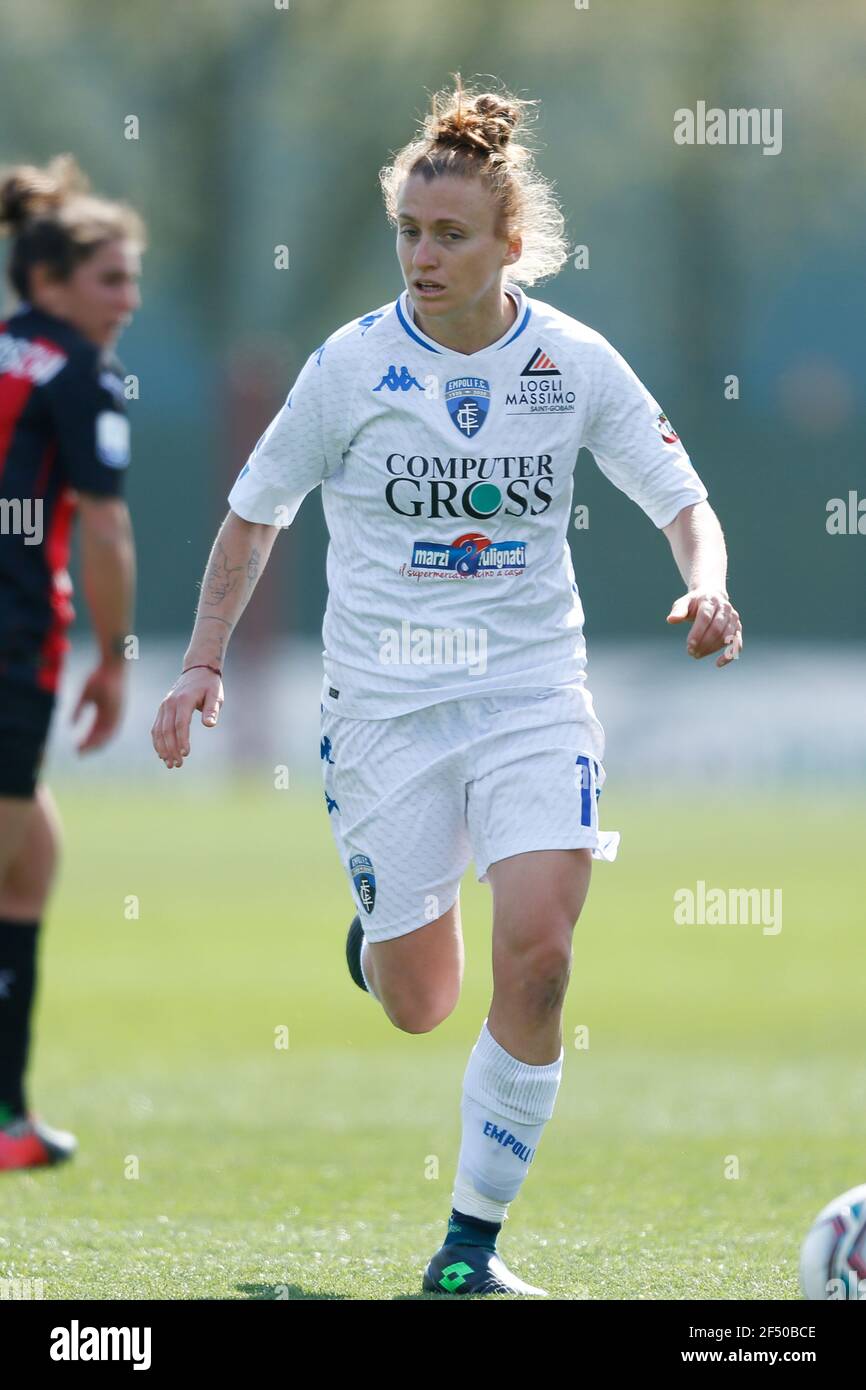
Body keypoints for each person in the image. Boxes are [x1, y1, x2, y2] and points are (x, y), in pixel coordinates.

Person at [151, 77, 742, 1296]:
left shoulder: (570, 361)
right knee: (421, 1001)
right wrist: (203, 657)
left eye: (450, 235)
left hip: (532, 690)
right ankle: (380, 941)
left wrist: (708, 583)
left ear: (507, 245)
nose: (423, 256)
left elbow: (679, 498)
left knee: (539, 954)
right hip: (383, 708)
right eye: (410, 234)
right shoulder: (350, 367)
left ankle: (466, 1250)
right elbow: (252, 519)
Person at [0, 155, 142, 1171]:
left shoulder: (8, 353)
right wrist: (117, 656)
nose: (128, 300)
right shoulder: (83, 373)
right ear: (48, 282)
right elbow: (104, 529)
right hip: (12, 644)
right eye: (109, 280)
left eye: (133, 279)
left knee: (31, 857)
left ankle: (6, 1119)